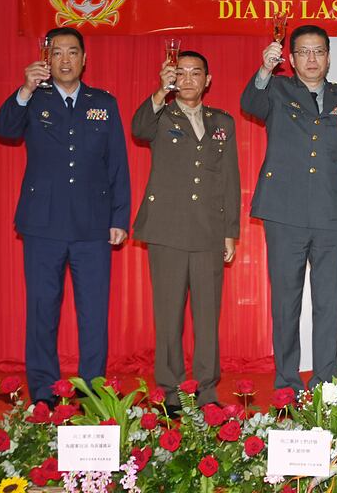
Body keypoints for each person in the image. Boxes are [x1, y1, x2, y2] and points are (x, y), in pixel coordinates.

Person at [0, 27, 130, 407]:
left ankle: (92, 392)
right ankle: (43, 393)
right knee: (41, 310)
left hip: (92, 225)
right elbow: (3, 129)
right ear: (46, 59)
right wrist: (23, 90)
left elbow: (117, 162)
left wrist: (119, 217)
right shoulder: (32, 99)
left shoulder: (103, 102)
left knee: (93, 314)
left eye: (73, 52)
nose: (65, 60)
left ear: (85, 59)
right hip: (43, 224)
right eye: (58, 53)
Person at [240, 25, 337, 392]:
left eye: (319, 51)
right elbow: (250, 103)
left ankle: (326, 384)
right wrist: (265, 69)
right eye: (304, 52)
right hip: (285, 213)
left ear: (328, 56)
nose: (312, 59)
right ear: (292, 59)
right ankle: (287, 383)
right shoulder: (277, 90)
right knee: (286, 303)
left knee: (329, 304)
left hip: (333, 214)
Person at [132, 50, 240, 409]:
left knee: (207, 315)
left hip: (209, 231)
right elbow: (138, 129)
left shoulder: (222, 122)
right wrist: (160, 92)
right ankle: (171, 390)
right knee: (169, 314)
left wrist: (230, 231)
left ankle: (206, 389)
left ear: (208, 80)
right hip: (167, 229)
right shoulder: (161, 114)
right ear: (173, 78)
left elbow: (229, 178)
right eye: (183, 73)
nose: (189, 79)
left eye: (197, 73)